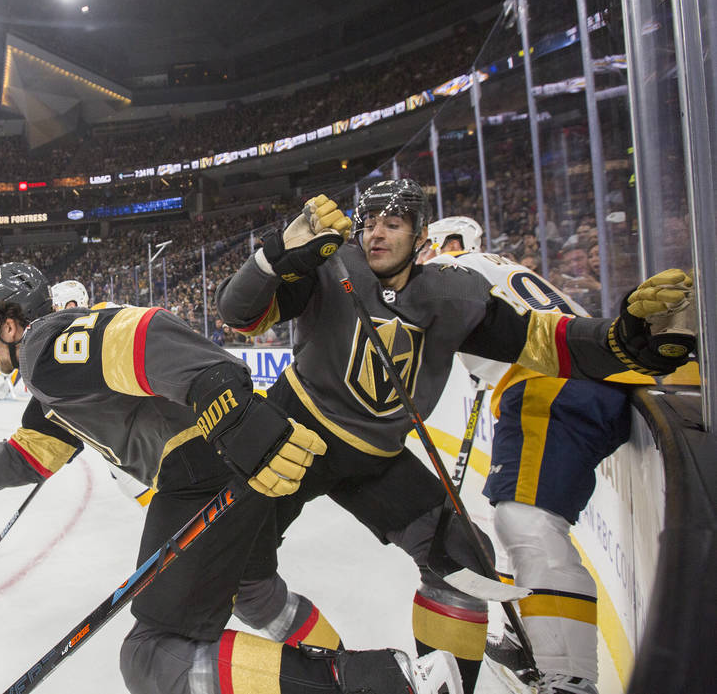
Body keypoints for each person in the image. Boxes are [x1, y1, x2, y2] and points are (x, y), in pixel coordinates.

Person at [0, 262, 462, 694]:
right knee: (254, 596)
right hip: (219, 467)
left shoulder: (46, 349)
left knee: (153, 656)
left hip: (200, 470)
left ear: (13, 321)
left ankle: (388, 683)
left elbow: (141, 332)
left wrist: (226, 408)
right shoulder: (49, 384)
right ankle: (350, 668)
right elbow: (30, 456)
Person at [215, 182, 694, 694]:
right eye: (370, 222)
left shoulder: (452, 295)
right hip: (292, 442)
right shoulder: (329, 267)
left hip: (375, 459)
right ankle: (331, 672)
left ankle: (442, 687)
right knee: (245, 580)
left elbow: (544, 342)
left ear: (419, 237)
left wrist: (623, 340)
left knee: (463, 556)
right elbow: (238, 314)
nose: (378, 232)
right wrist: (271, 258)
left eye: (393, 224)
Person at [426, 216, 668, 694]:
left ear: (446, 244)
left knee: (527, 523)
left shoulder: (447, 271)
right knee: (511, 515)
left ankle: (567, 673)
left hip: (548, 385)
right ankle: (534, 636)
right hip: (590, 375)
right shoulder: (502, 267)